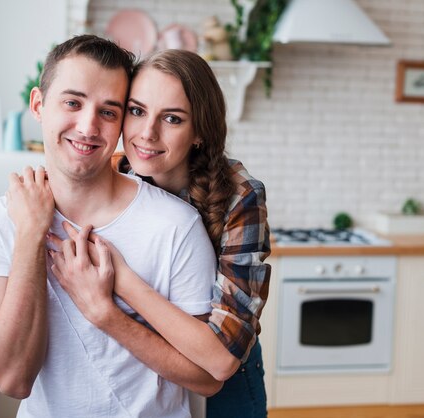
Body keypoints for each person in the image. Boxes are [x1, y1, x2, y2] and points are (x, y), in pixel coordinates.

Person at [0, 35, 224, 418]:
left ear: (121, 122)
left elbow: (207, 377)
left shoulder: (176, 225)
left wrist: (105, 312)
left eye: (108, 111)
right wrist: (32, 234)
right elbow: (13, 380)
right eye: (72, 102)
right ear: (38, 105)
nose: (87, 127)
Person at [52, 49, 272, 418]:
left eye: (172, 118)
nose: (147, 134)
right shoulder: (117, 171)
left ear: (200, 131)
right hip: (152, 367)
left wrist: (121, 281)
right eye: (137, 111)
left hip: (228, 380)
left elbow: (222, 360)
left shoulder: (240, 194)